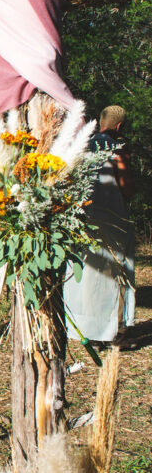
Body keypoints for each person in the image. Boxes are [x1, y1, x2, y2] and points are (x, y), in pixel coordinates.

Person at [64, 105, 135, 346]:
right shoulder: (116, 149)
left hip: (81, 217)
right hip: (112, 218)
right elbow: (127, 189)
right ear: (119, 126)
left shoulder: (80, 144)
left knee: (86, 273)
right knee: (115, 274)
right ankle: (113, 331)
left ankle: (83, 328)